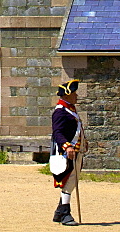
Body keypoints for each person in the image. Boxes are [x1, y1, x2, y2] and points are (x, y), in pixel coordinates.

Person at [51, 79, 88, 226]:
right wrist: (67, 146)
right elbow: (57, 133)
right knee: (68, 181)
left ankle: (59, 212)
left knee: (72, 180)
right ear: (67, 95)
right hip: (66, 153)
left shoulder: (70, 110)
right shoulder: (60, 111)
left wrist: (84, 141)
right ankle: (65, 213)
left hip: (76, 151)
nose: (76, 95)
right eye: (74, 93)